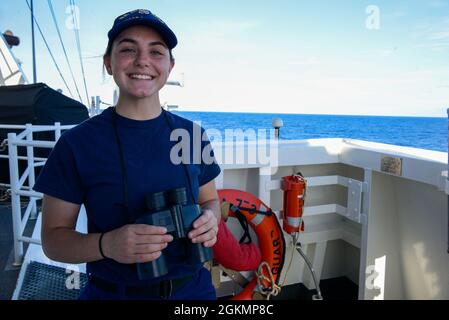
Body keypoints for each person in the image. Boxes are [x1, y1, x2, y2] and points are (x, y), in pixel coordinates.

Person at [33, 9, 221, 300]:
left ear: (170, 66)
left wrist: (209, 217)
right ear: (109, 63)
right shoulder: (76, 144)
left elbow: (210, 200)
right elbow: (54, 240)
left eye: (156, 51)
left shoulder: (193, 136)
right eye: (128, 49)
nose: (142, 60)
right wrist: (107, 245)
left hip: (194, 291)